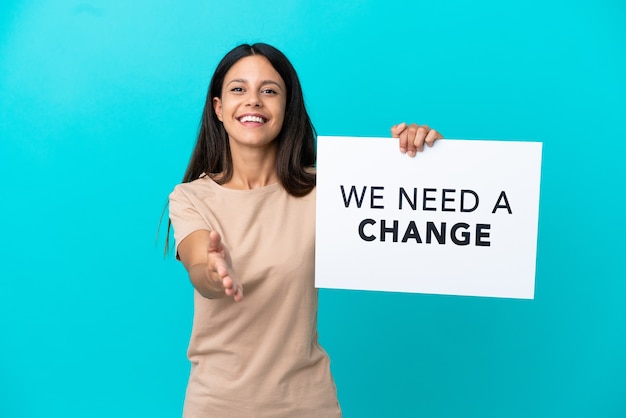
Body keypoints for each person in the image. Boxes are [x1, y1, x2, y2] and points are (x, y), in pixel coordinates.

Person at [167, 43, 442, 417]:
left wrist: (420, 160)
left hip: (308, 405)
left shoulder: (330, 189)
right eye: (238, 89)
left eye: (269, 90)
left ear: (286, 105)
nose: (253, 101)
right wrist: (216, 273)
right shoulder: (190, 197)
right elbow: (201, 268)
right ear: (218, 107)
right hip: (215, 406)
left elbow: (404, 219)